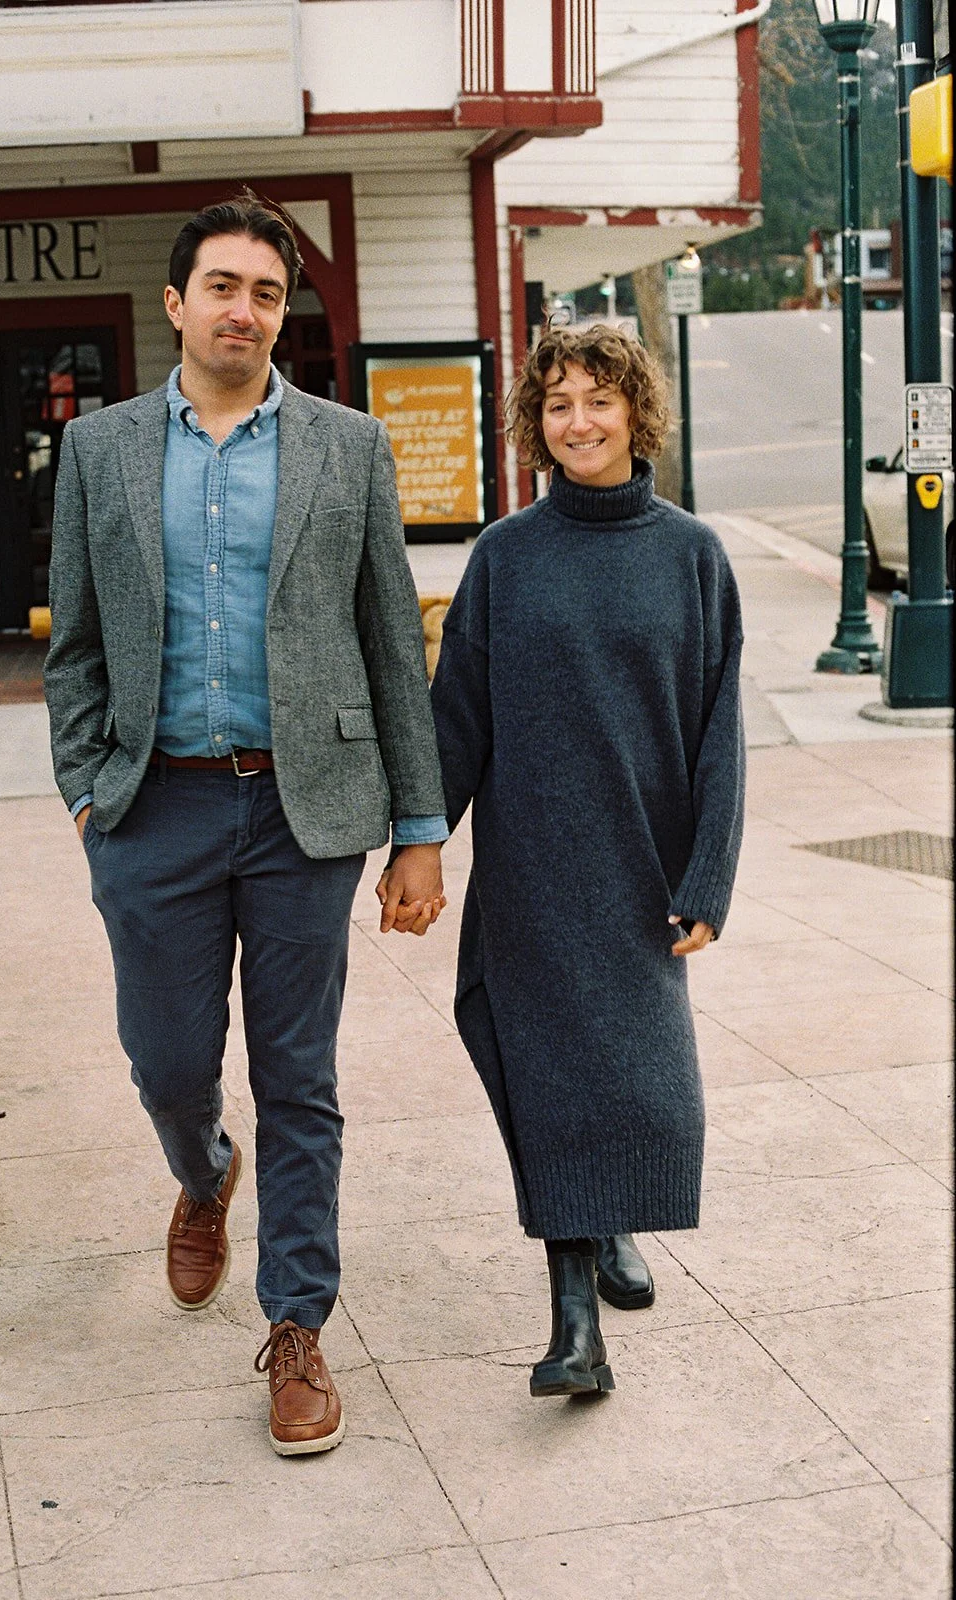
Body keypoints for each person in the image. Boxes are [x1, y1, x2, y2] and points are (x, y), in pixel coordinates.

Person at [44, 193, 448, 1456]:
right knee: (166, 1058)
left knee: (303, 1078)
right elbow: (76, 644)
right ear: (176, 303)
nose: (244, 310)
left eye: (267, 292)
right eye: (222, 286)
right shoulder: (102, 451)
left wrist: (421, 827)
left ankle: (298, 1325)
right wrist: (83, 787)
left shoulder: (348, 446)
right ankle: (201, 1169)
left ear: (285, 310)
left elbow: (393, 645)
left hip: (302, 809)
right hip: (151, 804)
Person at [425, 323, 745, 1397]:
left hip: (642, 874)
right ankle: (574, 1326)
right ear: (535, 421)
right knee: (552, 1080)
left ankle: (608, 1226)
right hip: (529, 872)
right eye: (558, 403)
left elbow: (719, 733)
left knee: (648, 1090)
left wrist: (709, 877)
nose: (578, 422)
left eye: (598, 400)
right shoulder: (505, 557)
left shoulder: (692, 556)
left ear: (636, 410)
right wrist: (418, 845)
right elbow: (456, 721)